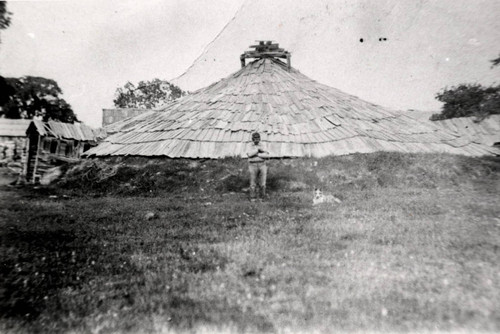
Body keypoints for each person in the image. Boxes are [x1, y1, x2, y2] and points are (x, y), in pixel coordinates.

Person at [246, 132, 269, 200]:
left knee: (263, 183)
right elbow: (249, 154)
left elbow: (267, 155)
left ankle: (262, 197)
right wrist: (258, 150)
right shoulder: (249, 145)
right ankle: (253, 198)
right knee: (253, 183)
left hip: (262, 165)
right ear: (252, 139)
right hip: (252, 165)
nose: (257, 140)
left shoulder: (263, 145)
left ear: (260, 138)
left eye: (258, 138)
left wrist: (257, 154)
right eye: (255, 138)